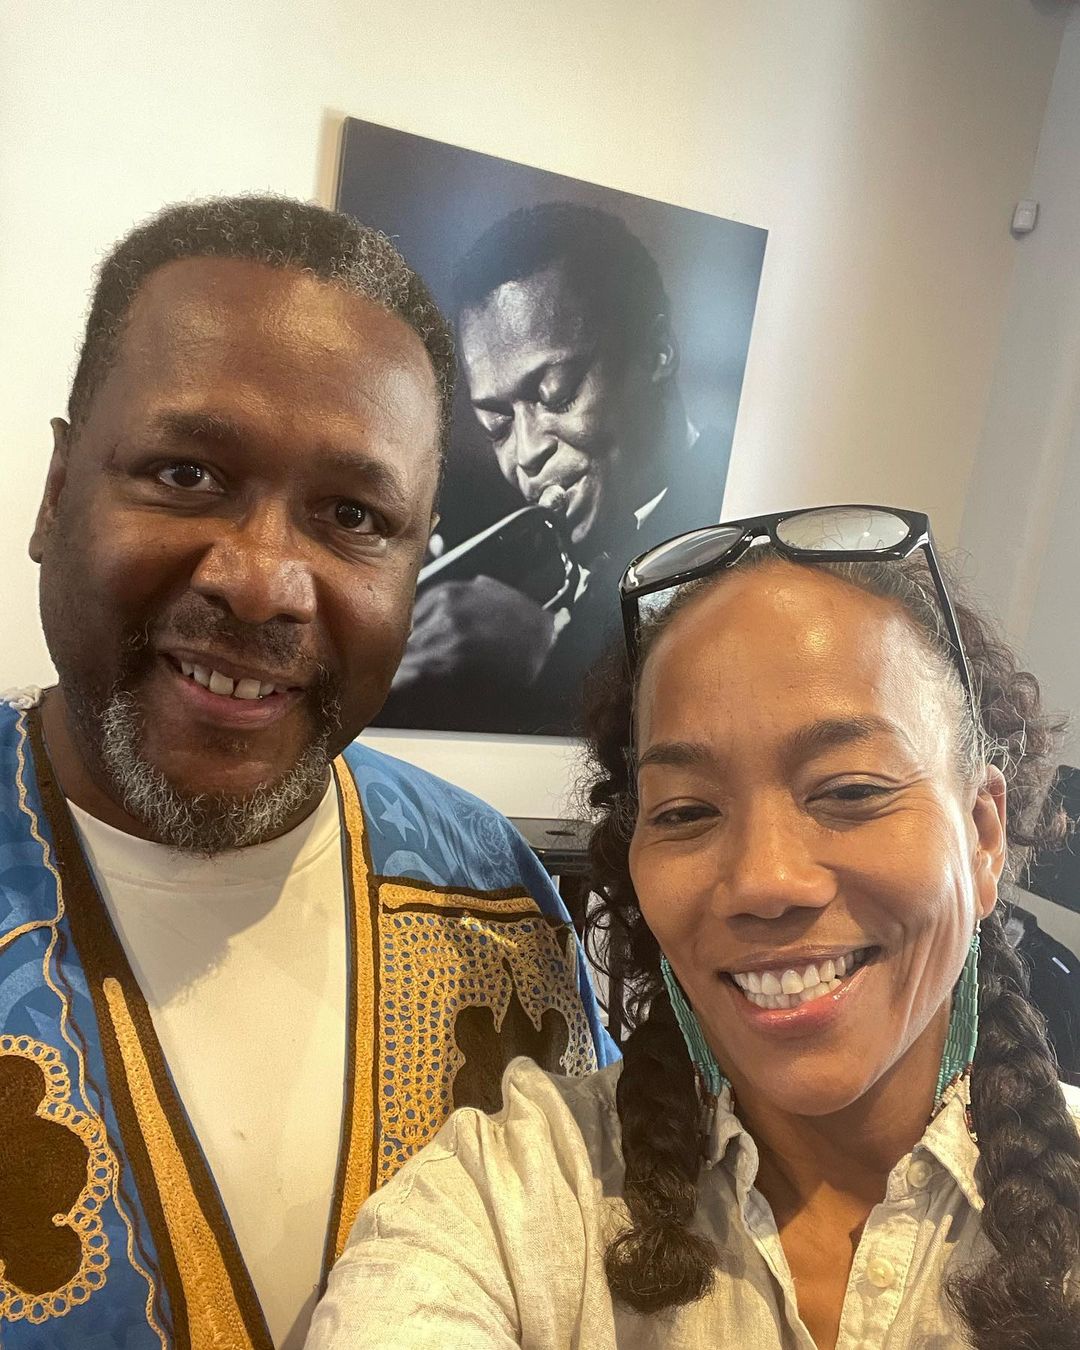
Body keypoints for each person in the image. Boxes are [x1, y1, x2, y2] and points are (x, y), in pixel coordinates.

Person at [0, 195, 616, 1350]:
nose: (263, 582)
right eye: (187, 473)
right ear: (56, 490)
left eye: (352, 515)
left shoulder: (494, 894)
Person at [308, 505, 1080, 1349]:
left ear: (981, 834)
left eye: (850, 790)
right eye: (685, 811)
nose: (763, 881)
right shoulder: (515, 1195)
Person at [379, 201, 730, 735]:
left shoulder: (736, 522)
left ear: (657, 351)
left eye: (556, 394)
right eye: (497, 424)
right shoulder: (532, 564)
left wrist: (544, 649)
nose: (526, 453)